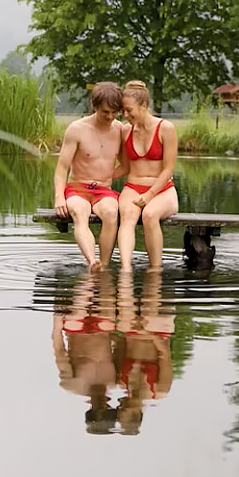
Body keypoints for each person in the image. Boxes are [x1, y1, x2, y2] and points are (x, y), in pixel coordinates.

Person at [53, 81, 126, 270]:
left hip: (104, 190)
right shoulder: (77, 129)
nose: (110, 116)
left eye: (114, 112)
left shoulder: (120, 130)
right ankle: (92, 260)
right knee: (79, 211)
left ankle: (104, 263)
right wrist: (59, 197)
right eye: (105, 112)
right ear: (94, 107)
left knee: (111, 213)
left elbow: (126, 166)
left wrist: (107, 177)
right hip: (77, 188)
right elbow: (61, 168)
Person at [115, 80, 180, 270]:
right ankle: (126, 268)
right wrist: (98, 180)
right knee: (127, 215)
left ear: (144, 106)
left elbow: (168, 169)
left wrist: (150, 194)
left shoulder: (165, 128)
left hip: (162, 190)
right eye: (123, 111)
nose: (125, 115)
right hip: (133, 187)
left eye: (129, 110)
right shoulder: (125, 131)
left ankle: (155, 269)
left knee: (150, 215)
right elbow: (124, 167)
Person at [52, 271, 120, 434]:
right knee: (108, 311)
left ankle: (89, 270)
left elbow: (59, 351)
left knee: (78, 311)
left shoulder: (71, 384)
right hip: (103, 327)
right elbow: (121, 343)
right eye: (106, 408)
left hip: (77, 327)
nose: (104, 403)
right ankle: (99, 270)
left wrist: (57, 322)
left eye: (101, 408)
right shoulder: (117, 380)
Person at [113, 268, 175, 435]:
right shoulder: (159, 390)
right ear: (136, 413)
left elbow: (120, 344)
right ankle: (154, 270)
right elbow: (165, 354)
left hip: (132, 332)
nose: (120, 404)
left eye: (120, 408)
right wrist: (149, 333)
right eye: (124, 409)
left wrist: (115, 331)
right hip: (158, 335)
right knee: (150, 311)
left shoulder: (121, 381)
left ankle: (126, 269)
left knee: (125, 313)